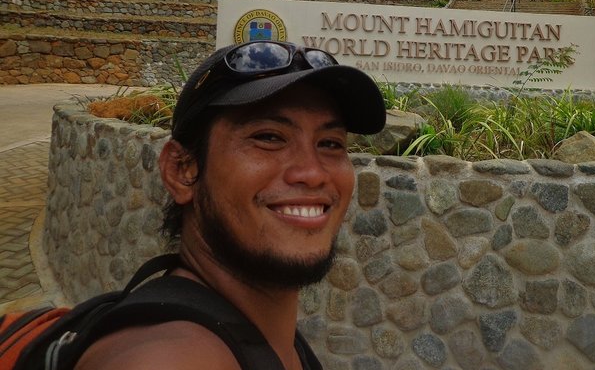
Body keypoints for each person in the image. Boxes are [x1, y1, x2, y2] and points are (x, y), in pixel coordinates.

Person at [75, 40, 386, 369]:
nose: (311, 173)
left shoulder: (267, 337)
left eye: (330, 143)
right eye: (268, 137)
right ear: (183, 170)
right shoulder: (167, 358)